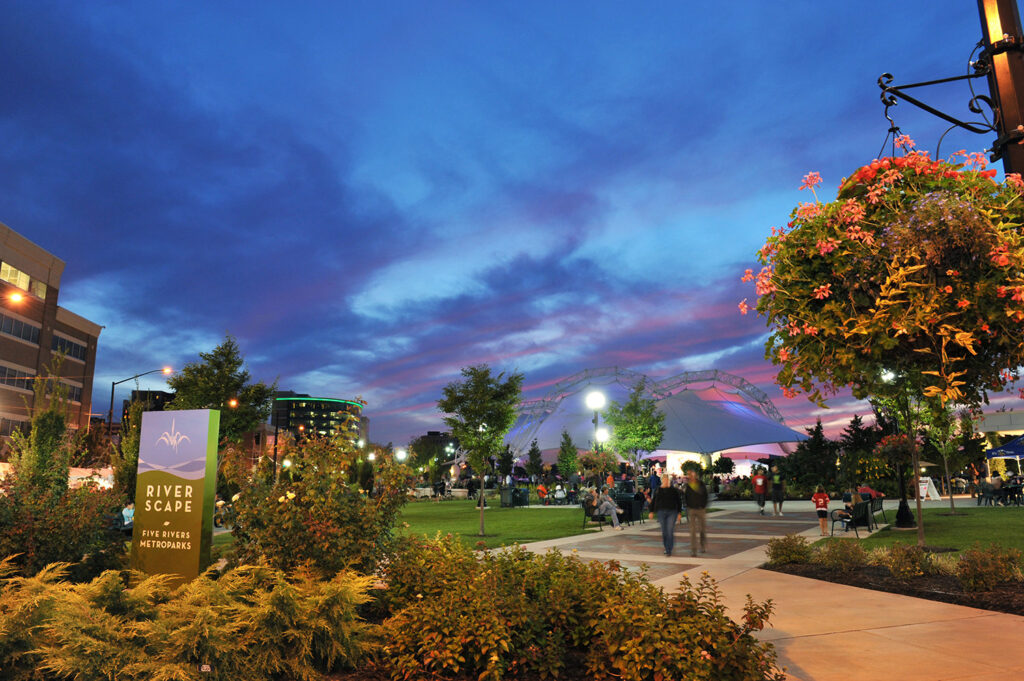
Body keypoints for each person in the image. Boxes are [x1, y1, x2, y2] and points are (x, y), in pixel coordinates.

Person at [648, 474, 683, 555]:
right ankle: (666, 547)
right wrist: (651, 511)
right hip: (661, 512)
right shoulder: (658, 490)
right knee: (664, 531)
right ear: (662, 480)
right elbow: (654, 501)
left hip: (672, 512)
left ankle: (669, 549)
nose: (665, 481)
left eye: (667, 479)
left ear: (669, 480)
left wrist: (679, 512)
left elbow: (678, 501)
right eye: (664, 479)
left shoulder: (673, 490)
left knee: (670, 530)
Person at [683, 470, 708, 556]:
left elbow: (705, 495)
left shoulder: (701, 484)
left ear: (695, 475)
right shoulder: (688, 486)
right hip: (692, 509)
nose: (691, 477)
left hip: (701, 509)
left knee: (702, 529)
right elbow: (686, 497)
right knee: (692, 530)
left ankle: (703, 545)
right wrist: (688, 506)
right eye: (690, 475)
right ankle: (693, 550)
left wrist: (703, 505)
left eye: (692, 475)